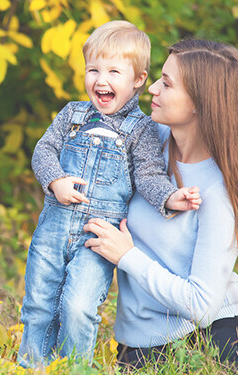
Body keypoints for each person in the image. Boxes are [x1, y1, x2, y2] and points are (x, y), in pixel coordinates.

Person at [83, 39, 238, 368]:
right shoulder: (147, 144)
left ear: (199, 103)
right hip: (140, 335)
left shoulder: (219, 191)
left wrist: (127, 256)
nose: (151, 88)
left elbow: (202, 305)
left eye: (166, 83)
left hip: (215, 334)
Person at [18, 20, 201, 366]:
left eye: (114, 71)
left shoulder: (142, 129)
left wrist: (168, 197)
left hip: (97, 238)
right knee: (39, 301)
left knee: (78, 305)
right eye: (93, 70)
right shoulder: (72, 114)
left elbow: (148, 173)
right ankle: (32, 365)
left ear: (137, 80)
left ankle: (73, 368)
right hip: (53, 229)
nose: (101, 80)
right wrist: (55, 180)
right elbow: (43, 150)